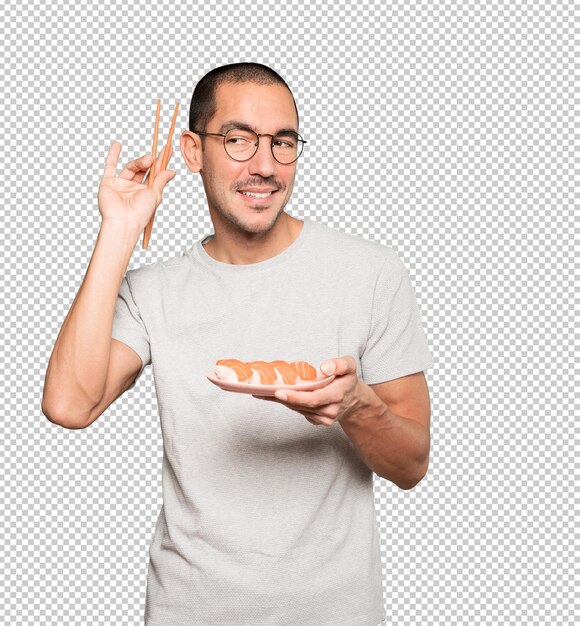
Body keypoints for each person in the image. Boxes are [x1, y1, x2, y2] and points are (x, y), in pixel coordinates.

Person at [42, 62, 433, 626]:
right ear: (193, 152)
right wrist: (120, 231)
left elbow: (412, 464)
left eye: (282, 142)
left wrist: (355, 406)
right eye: (238, 139)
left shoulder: (371, 272)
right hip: (190, 611)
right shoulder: (153, 292)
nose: (265, 166)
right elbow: (69, 405)